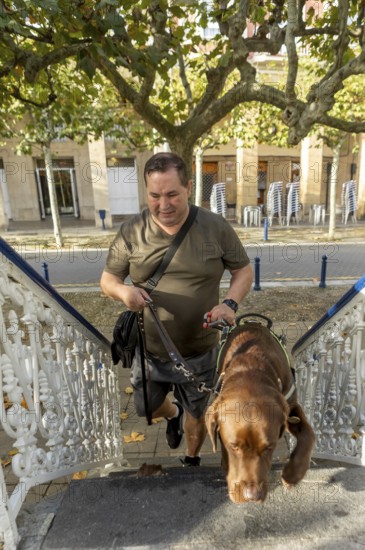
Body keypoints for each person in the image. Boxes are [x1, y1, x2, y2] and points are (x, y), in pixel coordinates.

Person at [100, 152, 253, 466]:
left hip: (200, 350)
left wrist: (229, 303)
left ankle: (191, 460)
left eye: (172, 194)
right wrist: (123, 292)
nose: (163, 204)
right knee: (146, 408)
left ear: (188, 187)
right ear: (146, 192)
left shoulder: (215, 227)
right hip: (150, 349)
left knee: (197, 415)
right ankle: (172, 413)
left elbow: (243, 271)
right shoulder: (132, 231)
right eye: (155, 196)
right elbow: (108, 279)